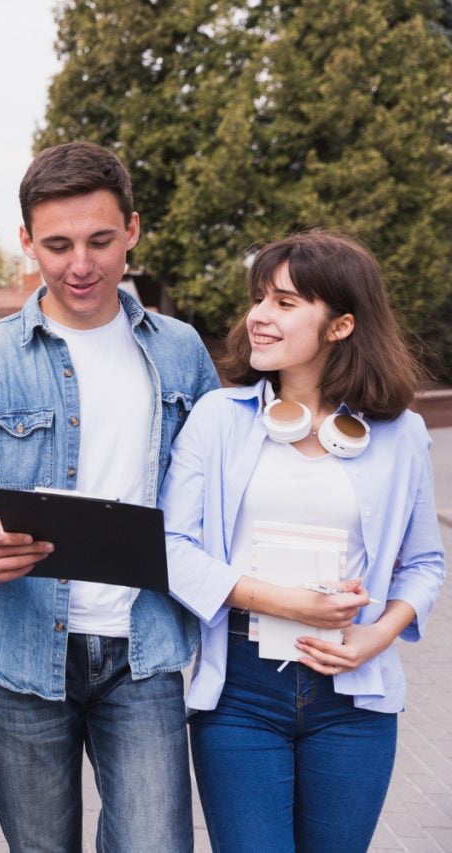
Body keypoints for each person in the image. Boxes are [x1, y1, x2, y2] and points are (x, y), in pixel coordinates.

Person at [0, 141, 219, 852]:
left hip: (145, 650)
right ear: (26, 242)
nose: (80, 264)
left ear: (132, 230)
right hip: (24, 653)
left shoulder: (181, 350)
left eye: (99, 240)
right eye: (56, 245)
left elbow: (221, 484)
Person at [160, 230, 445, 851]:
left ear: (340, 325)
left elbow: (424, 564)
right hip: (240, 691)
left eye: (285, 303)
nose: (258, 317)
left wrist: (379, 633)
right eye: (259, 299)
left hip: (356, 695)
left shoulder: (404, 436)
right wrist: (283, 602)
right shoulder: (218, 420)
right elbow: (170, 546)